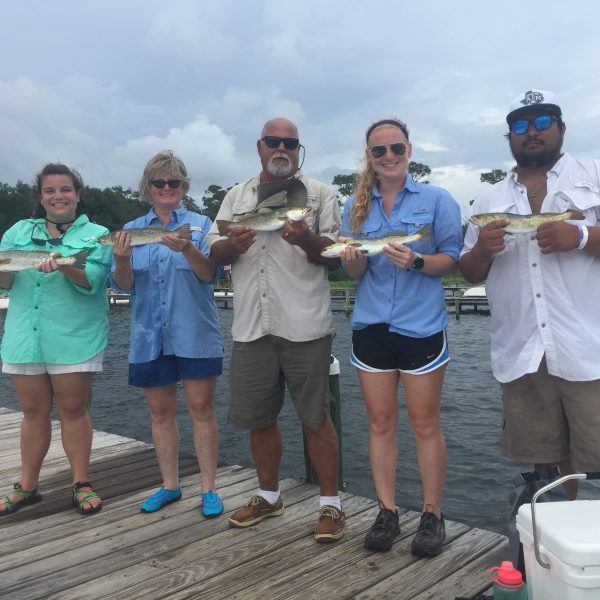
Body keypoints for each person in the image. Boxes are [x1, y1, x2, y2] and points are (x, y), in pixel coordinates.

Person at [207, 118, 345, 542]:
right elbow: (215, 248)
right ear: (260, 147)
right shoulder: (236, 196)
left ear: (298, 149)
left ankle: (330, 505)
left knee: (316, 418)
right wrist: (233, 246)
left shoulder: (319, 195)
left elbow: (336, 256)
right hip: (251, 326)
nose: (281, 147)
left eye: (290, 142)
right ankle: (269, 496)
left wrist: (304, 239)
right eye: (273, 141)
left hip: (305, 324)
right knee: (259, 420)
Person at [459, 89, 600, 499]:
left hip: (588, 346)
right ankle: (553, 544)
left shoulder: (593, 176)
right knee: (545, 462)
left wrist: (580, 235)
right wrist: (483, 249)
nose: (531, 132)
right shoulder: (489, 200)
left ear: (561, 128)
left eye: (542, 122)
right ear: (509, 136)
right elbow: (468, 269)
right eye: (520, 125)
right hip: (522, 349)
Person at [339, 118, 462, 555]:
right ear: (368, 156)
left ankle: (432, 514)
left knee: (425, 424)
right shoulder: (354, 206)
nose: (388, 157)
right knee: (379, 422)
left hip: (421, 326)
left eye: (396, 148)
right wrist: (350, 256)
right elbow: (355, 272)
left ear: (409, 150)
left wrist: (415, 262)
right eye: (379, 151)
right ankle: (386, 510)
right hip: (371, 327)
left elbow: (452, 258)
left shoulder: (437, 199)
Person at [110, 150, 224, 517]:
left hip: (196, 332)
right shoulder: (132, 230)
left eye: (173, 182)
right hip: (149, 336)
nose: (166, 187)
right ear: (148, 187)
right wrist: (123, 259)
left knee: (201, 409)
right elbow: (125, 286)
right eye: (159, 182)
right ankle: (170, 485)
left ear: (184, 186)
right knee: (160, 413)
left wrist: (188, 248)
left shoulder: (202, 224)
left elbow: (211, 274)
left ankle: (209, 488)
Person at [0, 163, 111, 516]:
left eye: (65, 189)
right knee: (33, 413)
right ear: (40, 197)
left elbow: (91, 282)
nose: (57, 196)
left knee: (73, 411)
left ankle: (81, 483)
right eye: (50, 190)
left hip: (73, 338)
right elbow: (5, 282)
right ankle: (28, 486)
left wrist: (63, 264)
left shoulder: (97, 234)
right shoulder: (18, 231)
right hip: (24, 337)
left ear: (77, 194)